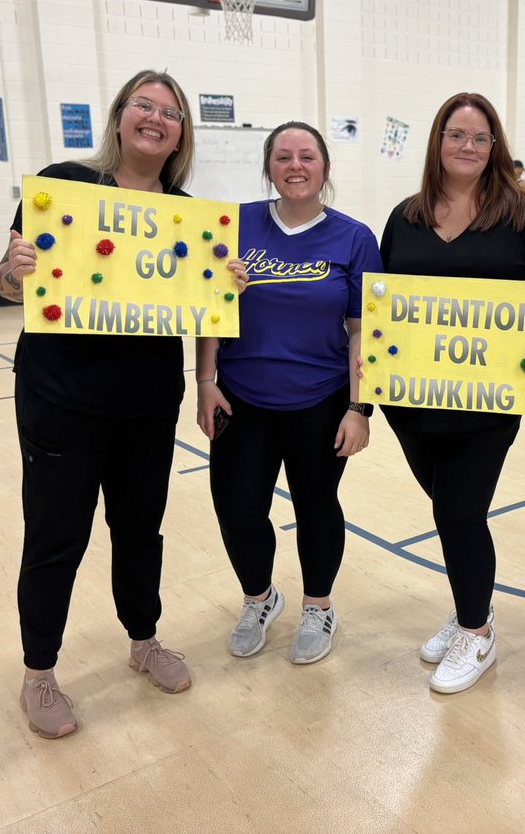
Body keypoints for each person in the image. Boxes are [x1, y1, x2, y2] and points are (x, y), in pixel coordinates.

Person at [0, 70, 211, 739]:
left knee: (140, 529)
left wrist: (221, 282)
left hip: (147, 403)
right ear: (119, 117)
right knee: (58, 534)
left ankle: (143, 641)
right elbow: (5, 283)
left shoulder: (187, 213)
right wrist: (15, 270)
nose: (156, 118)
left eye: (170, 112)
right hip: (61, 396)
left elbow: (204, 308)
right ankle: (38, 674)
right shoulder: (64, 184)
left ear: (181, 134)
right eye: (143, 106)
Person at [379, 93, 525, 694]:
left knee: (460, 510)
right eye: (456, 134)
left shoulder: (521, 214)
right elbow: (383, 301)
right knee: (449, 510)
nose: (467, 146)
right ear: (438, 142)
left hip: (490, 401)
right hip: (410, 400)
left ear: (495, 147)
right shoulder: (405, 216)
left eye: (480, 137)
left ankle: (477, 633)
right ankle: (471, 602)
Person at [196, 121, 382, 665]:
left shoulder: (354, 237)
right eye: (282, 157)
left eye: (306, 156)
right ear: (268, 167)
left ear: (325, 167)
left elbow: (363, 332)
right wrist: (205, 382)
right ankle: (260, 599)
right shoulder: (234, 225)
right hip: (240, 397)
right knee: (237, 509)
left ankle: (318, 606)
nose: (295, 165)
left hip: (321, 399)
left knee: (316, 506)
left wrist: (358, 408)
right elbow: (209, 311)